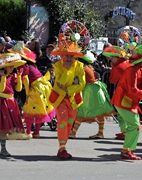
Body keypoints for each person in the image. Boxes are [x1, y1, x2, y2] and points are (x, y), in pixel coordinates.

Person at [110, 44, 142, 160]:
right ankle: (126, 150)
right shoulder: (132, 70)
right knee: (134, 125)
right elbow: (132, 89)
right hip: (122, 101)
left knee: (135, 126)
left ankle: (127, 150)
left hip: (131, 103)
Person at [48, 21, 87, 159]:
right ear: (62, 55)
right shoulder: (58, 66)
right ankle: (62, 148)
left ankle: (63, 146)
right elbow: (59, 83)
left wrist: (69, 88)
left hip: (73, 99)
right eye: (66, 55)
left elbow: (81, 84)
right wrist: (69, 73)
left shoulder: (80, 66)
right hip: (60, 99)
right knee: (63, 121)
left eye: (71, 55)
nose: (69, 58)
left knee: (70, 124)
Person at [0, 53, 28, 156]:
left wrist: (20, 78)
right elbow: (1, 89)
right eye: (10, 66)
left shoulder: (13, 76)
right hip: (0, 102)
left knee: (7, 126)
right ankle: (3, 149)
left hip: (10, 102)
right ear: (5, 67)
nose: (12, 68)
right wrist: (3, 77)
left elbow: (18, 89)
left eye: (13, 66)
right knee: (3, 126)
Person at [9, 41, 55, 138]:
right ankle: (36, 132)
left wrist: (26, 95)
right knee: (39, 110)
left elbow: (25, 80)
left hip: (35, 88)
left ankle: (28, 132)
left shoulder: (24, 67)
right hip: (44, 87)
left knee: (29, 110)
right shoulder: (32, 65)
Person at [69, 51, 116, 139]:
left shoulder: (82, 68)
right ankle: (100, 132)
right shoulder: (89, 67)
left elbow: (80, 82)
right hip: (97, 89)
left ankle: (73, 133)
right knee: (100, 112)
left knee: (82, 111)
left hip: (89, 91)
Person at [102, 45, 132, 140]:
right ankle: (128, 131)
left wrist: (113, 68)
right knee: (128, 112)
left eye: (112, 57)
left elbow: (112, 80)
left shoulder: (117, 66)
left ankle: (125, 132)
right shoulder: (128, 63)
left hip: (123, 93)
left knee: (121, 113)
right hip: (132, 92)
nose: (111, 59)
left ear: (116, 57)